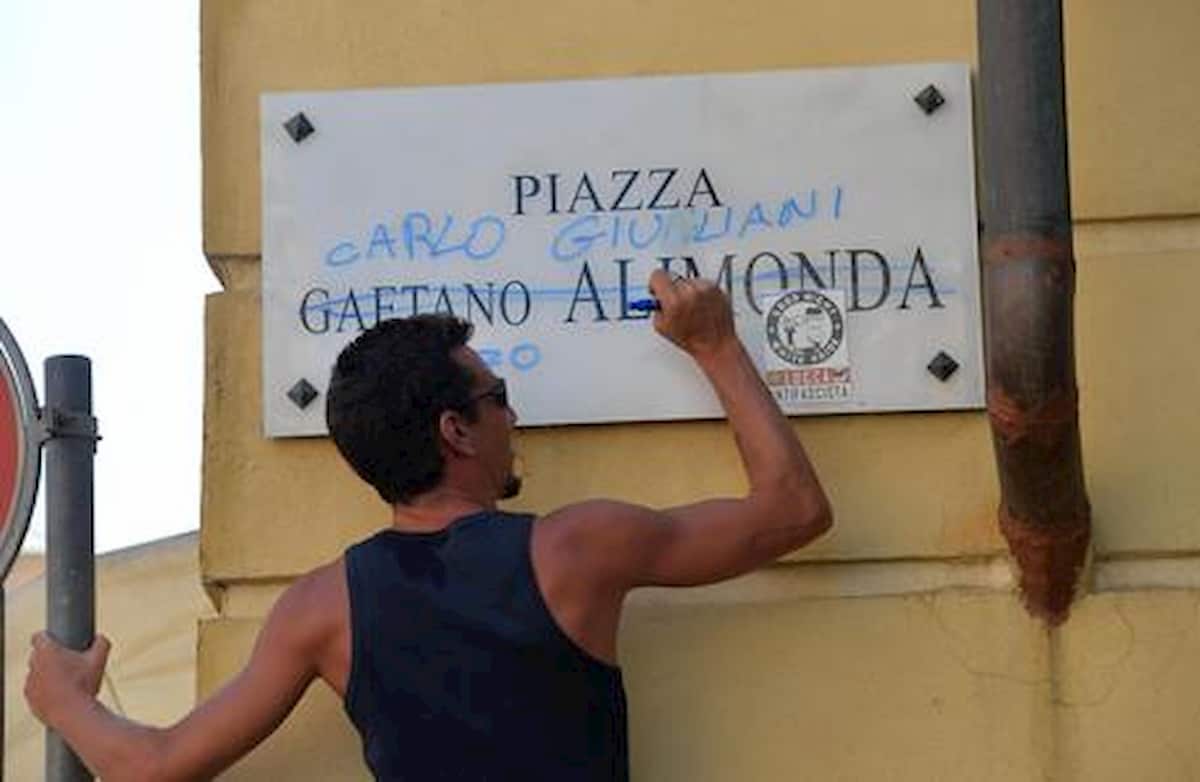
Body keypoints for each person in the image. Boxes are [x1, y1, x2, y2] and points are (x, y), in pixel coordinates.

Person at [24, 270, 832, 781]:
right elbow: (793, 509)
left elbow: (155, 767)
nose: (511, 414)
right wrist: (717, 344)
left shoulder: (320, 608)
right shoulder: (577, 548)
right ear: (456, 431)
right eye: (497, 395)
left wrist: (64, 701)